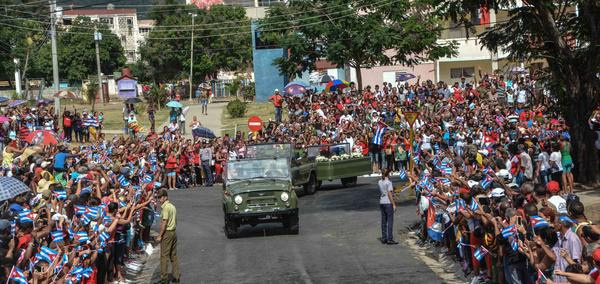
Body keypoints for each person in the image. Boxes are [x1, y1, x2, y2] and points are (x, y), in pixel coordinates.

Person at [157, 189, 180, 283]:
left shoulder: (166, 207)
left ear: (165, 197)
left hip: (167, 233)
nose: (159, 199)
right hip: (173, 232)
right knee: (173, 256)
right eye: (158, 197)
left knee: (164, 256)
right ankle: (176, 276)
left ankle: (163, 279)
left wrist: (160, 235)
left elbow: (164, 222)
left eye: (160, 197)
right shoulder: (172, 206)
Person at [379, 169, 397, 245]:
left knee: (383, 221)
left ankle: (384, 237)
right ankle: (389, 238)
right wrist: (394, 204)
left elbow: (385, 192)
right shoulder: (389, 182)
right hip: (388, 202)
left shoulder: (379, 182)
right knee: (390, 221)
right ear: (388, 174)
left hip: (382, 201)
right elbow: (389, 194)